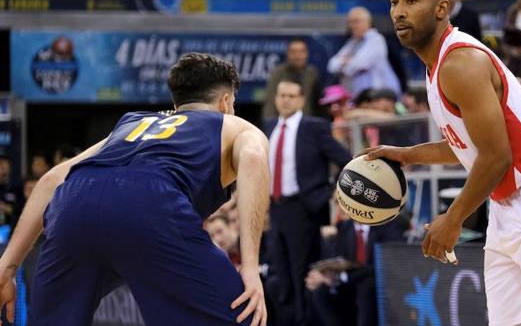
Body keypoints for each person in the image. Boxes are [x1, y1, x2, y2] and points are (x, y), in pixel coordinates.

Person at [363, 0, 521, 326]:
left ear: (442, 8)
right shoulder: (435, 65)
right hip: (505, 202)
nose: (398, 12)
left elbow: (497, 155)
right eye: (394, 2)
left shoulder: (460, 63)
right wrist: (408, 155)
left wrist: (452, 220)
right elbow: (470, 144)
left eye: (411, 0)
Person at [0, 53, 269, 326]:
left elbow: (52, 179)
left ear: (176, 104)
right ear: (225, 102)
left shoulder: (132, 124)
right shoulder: (232, 125)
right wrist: (249, 267)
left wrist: (7, 267)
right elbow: (255, 158)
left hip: (74, 201)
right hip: (149, 202)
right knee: (244, 314)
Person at [264, 79, 351, 326]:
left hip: (304, 208)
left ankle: (304, 320)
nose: (286, 99)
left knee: (300, 270)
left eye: (291, 95)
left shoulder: (314, 127)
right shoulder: (269, 126)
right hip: (275, 207)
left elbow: (345, 159)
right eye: (282, 95)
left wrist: (330, 191)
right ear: (276, 98)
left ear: (301, 100)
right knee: (279, 271)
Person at [305, 218, 405, 326]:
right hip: (348, 283)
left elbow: (386, 262)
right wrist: (325, 275)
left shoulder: (387, 225)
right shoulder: (344, 226)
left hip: (378, 282)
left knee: (364, 286)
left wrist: (341, 277)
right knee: (319, 290)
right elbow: (337, 258)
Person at [327, 7, 401, 98]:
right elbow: (331, 65)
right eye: (350, 22)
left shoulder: (376, 39)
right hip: (358, 96)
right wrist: (346, 63)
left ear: (368, 22)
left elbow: (358, 65)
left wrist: (345, 64)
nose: (352, 26)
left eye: (356, 21)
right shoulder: (352, 42)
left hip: (378, 95)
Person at [263, 38, 323, 120]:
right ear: (288, 54)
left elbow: (318, 104)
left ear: (307, 54)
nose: (298, 56)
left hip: (306, 123)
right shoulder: (278, 73)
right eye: (293, 52)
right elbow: (270, 102)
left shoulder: (312, 73)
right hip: (284, 122)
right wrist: (269, 124)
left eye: (302, 52)